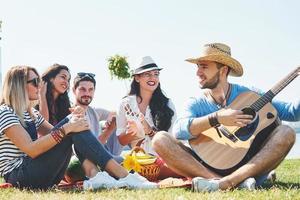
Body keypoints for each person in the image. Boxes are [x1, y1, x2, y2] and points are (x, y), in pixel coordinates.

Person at [152, 43, 299, 192]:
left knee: (287, 132)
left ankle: (228, 182)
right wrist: (217, 118)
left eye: (203, 67)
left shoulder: (249, 95)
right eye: (197, 67)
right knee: (160, 139)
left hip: (247, 164)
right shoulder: (196, 102)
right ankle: (217, 180)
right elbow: (179, 130)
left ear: (223, 70)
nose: (197, 72)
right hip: (206, 164)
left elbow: (292, 112)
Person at [0, 66, 157, 190]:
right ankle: (121, 176)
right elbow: (31, 149)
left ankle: (96, 176)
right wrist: (67, 127)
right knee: (71, 124)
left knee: (74, 123)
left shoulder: (31, 113)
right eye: (34, 82)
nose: (39, 85)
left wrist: (73, 122)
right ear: (19, 85)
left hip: (40, 173)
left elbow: (55, 136)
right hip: (20, 176)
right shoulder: (5, 112)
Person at [116, 56, 180, 179]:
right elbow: (121, 140)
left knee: (179, 167)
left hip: (163, 158)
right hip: (136, 159)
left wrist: (149, 131)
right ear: (137, 78)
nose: (153, 78)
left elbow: (170, 142)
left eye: (156, 74)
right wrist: (131, 133)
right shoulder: (125, 104)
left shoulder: (168, 104)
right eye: (147, 74)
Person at [66, 72, 123, 182]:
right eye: (82, 89)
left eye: (90, 90)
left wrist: (111, 118)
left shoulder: (93, 111)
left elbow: (115, 113)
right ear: (74, 90)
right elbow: (91, 149)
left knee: (119, 124)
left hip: (101, 157)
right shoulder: (71, 115)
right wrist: (109, 130)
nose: (87, 93)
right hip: (80, 161)